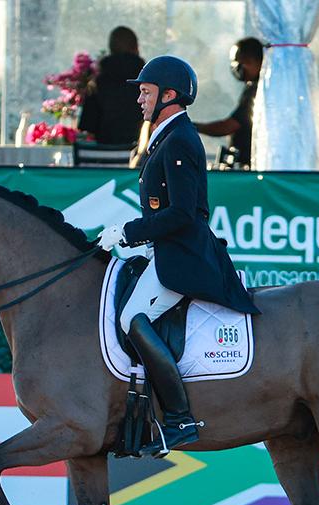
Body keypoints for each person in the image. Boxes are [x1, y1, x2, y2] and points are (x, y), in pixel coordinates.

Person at [97, 56, 260, 457]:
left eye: (146, 91)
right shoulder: (166, 137)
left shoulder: (181, 140)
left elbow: (184, 213)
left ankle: (179, 419)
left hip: (184, 257)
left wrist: (130, 231)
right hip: (165, 248)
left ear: (169, 95)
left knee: (130, 318)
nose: (139, 98)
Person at [194, 37, 263, 168]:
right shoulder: (251, 87)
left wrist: (194, 127)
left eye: (239, 62)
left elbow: (229, 126)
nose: (236, 68)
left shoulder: (258, 91)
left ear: (252, 61)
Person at [77, 26, 145, 145]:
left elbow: (86, 127)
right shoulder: (147, 85)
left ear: (111, 49)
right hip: (139, 158)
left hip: (104, 157)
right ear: (136, 48)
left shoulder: (97, 84)